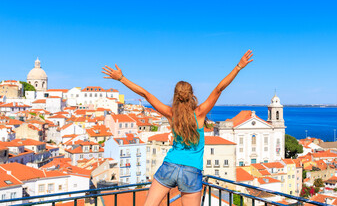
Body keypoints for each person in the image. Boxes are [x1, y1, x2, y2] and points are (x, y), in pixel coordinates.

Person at [102, 50, 254, 206]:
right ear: (191, 95)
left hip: (170, 165)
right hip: (191, 170)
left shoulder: (170, 113)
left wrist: (121, 78)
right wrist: (238, 67)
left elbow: (146, 94)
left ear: (175, 95)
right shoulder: (200, 113)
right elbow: (218, 89)